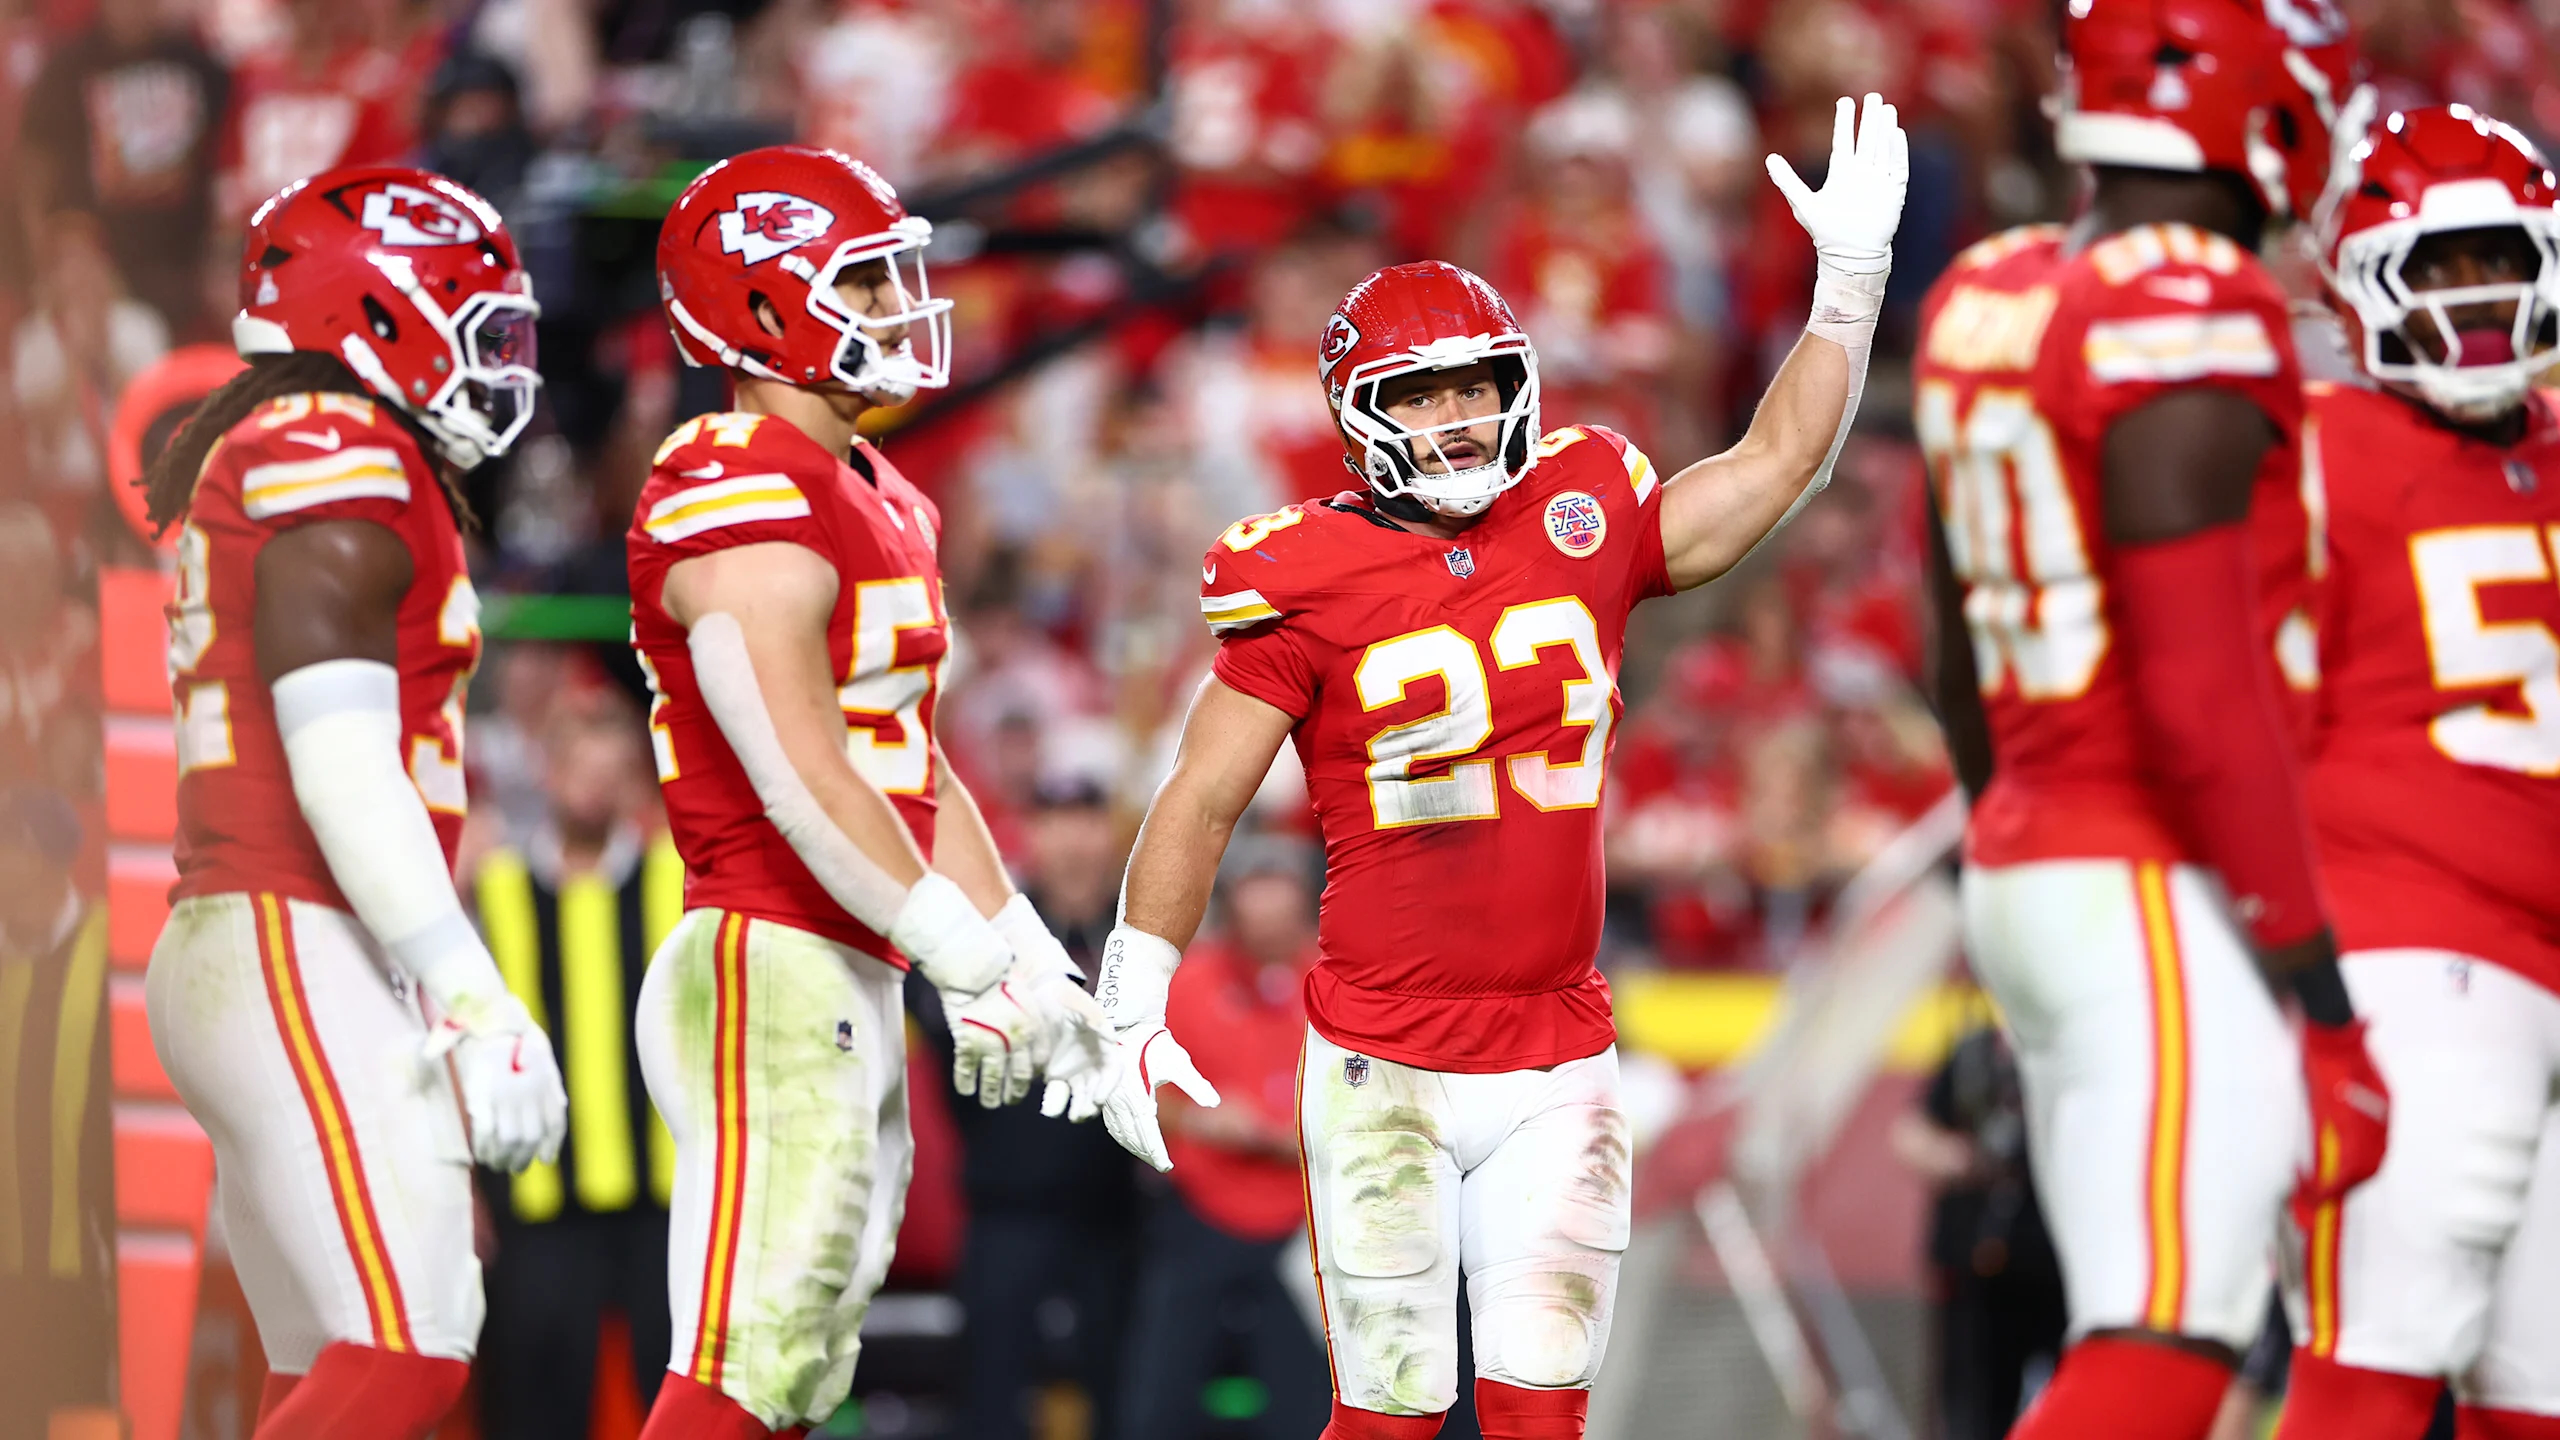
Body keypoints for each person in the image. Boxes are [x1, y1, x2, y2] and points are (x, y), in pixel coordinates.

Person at [1071, 92, 1911, 1440]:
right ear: (1361, 413)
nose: (1459, 417)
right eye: (1423, 392)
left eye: (1477, 385)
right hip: (1381, 1058)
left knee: (1542, 1420)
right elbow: (1203, 795)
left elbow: (1776, 461)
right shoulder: (1302, 571)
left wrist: (1852, 282)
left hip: (1559, 1050)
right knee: (1390, 1417)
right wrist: (1136, 983)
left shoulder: (1581, 506)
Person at [1910, 2, 2391, 1436]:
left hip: (2035, 859)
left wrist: (2010, 837)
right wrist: (2315, 985)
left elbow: (1956, 657)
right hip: (2145, 871)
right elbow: (2199, 693)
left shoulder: (1988, 285)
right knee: (2171, 1337)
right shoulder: (2189, 301)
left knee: (2141, 1316)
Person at [625, 145, 1113, 1439]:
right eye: (869, 281)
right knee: (744, 1354)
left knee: (800, 1366)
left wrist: (1022, 946)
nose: (903, 308)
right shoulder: (730, 480)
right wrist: (963, 957)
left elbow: (907, 758)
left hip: (854, 957)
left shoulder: (878, 488)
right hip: (770, 953)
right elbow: (800, 774)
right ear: (766, 308)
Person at [138, 163, 563, 1439]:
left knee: (328, 1362)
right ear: (373, 311)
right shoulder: (337, 451)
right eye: (472, 315)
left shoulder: (305, 446)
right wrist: (472, 994)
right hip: (288, 928)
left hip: (264, 937)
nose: (501, 361)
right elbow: (340, 767)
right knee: (411, 1346)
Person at [2265, 103, 2560, 1440]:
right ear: (2364, 279)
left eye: (2498, 255)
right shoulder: (2311, 443)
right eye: (2440, 266)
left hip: (2521, 961)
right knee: (2370, 1376)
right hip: (2409, 956)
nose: (2479, 296)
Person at [470, 705, 685, 1439]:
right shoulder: (494, 891)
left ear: (631, 783)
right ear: (547, 772)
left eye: (610, 773)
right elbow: (458, 1046)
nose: (592, 790)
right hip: (536, 1196)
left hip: (664, 1194)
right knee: (534, 1402)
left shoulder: (677, 882)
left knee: (679, 1396)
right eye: (577, 770)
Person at [911, 772, 1140, 1440]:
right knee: (991, 1397)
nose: (1073, 839)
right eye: (1056, 820)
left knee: (1120, 1392)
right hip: (1005, 1205)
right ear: (1032, 834)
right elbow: (936, 1025)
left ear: (1110, 833)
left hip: (1112, 1212)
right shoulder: (987, 936)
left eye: (1088, 819)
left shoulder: (1141, 938)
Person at [1117, 832, 1331, 1440]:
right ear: (1232, 898)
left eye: (1279, 885)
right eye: (1255, 886)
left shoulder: (1334, 982)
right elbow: (1135, 1095)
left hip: (1305, 1225)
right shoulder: (1190, 982)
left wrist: (1296, 1132)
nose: (1267, 903)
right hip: (1200, 1215)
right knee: (1160, 1398)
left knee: (1306, 1400)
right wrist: (1205, 1121)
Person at [0, 787, 115, 1439]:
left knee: (81, 1423)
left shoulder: (111, 951)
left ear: (44, 859)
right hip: (5, 1277)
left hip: (80, 1275)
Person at [1893, 1023, 2063, 1440]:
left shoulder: (2067, 1054)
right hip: (1976, 1274)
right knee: (1974, 1410)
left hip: (2053, 1273)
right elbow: (1912, 1133)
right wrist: (1961, 1159)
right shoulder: (1974, 1054)